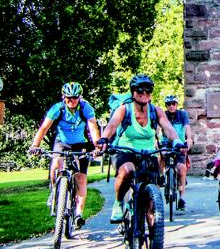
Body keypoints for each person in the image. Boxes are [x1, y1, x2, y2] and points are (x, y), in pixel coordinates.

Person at [98, 74, 182, 223]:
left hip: (148, 152)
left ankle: (154, 230)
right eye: (139, 90)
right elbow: (111, 126)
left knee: (152, 194)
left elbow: (167, 127)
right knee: (128, 170)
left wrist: (176, 141)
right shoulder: (125, 109)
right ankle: (118, 203)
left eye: (148, 91)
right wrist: (104, 139)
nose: (144, 94)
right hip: (125, 150)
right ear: (133, 92)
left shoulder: (155, 111)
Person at [28, 82, 100, 228]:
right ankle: (54, 191)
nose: (71, 101)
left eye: (74, 98)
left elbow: (93, 127)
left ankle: (79, 214)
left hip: (80, 144)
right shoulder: (57, 108)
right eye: (68, 98)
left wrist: (98, 145)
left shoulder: (86, 108)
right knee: (55, 166)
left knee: (80, 177)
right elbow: (44, 127)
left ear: (79, 97)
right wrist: (35, 145)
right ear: (63, 97)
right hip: (62, 142)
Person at [161, 94, 193, 210]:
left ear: (176, 105)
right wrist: (155, 140)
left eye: (173, 104)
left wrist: (188, 138)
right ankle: (162, 176)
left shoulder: (182, 114)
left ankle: (182, 198)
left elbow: (187, 127)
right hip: (166, 142)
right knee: (160, 155)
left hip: (179, 143)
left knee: (181, 169)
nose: (171, 106)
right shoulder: (163, 115)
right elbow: (158, 128)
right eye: (168, 104)